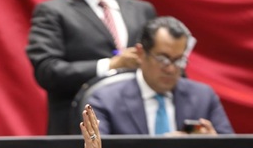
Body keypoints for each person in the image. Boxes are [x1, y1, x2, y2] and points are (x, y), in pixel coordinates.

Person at [26, 0, 157, 135]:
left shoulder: (143, 10)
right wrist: (111, 65)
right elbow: (47, 71)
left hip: (141, 127)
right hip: (77, 129)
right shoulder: (52, 11)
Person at [87, 16, 233, 135]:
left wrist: (213, 145)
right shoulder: (106, 100)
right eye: (163, 59)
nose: (171, 69)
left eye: (179, 60)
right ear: (140, 53)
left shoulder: (203, 97)